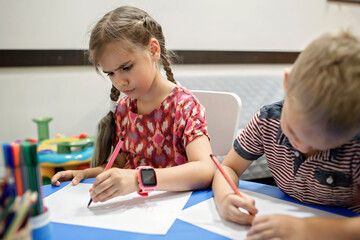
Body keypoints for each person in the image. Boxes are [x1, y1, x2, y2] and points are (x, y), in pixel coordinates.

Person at [51, 6, 214, 203]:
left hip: (177, 212)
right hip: (135, 213)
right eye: (110, 73)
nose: (120, 82)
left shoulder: (184, 107)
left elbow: (205, 170)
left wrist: (139, 179)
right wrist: (88, 174)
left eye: (126, 68)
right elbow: (121, 167)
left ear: (153, 50)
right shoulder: (123, 109)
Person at [212, 30, 360, 240]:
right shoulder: (268, 120)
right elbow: (228, 167)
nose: (301, 146)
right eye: (292, 130)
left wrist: (308, 230)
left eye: (320, 144)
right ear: (287, 83)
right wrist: (225, 197)